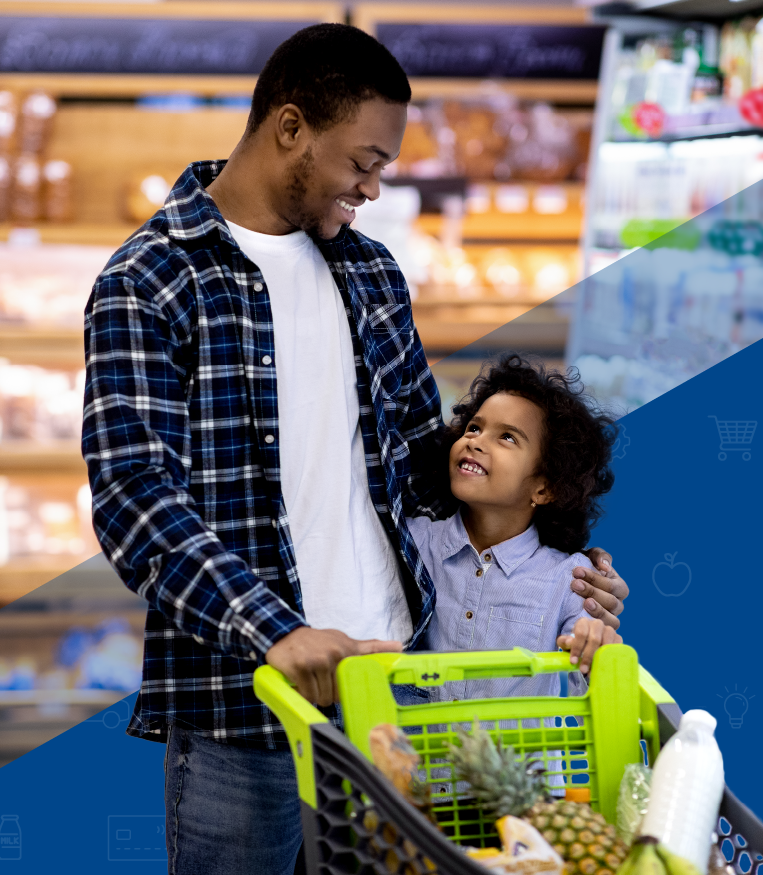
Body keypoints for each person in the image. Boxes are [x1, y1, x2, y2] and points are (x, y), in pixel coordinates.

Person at [82, 24, 629, 875]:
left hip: (402, 698)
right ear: (290, 128)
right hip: (246, 712)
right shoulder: (150, 280)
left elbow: (426, 463)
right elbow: (133, 496)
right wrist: (277, 633)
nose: (373, 189)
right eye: (364, 163)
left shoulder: (370, 272)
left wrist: (557, 569)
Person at [408, 353, 623, 705]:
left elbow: (592, 661)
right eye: (474, 427)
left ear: (544, 488)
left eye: (507, 437)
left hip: (523, 762)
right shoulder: (415, 543)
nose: (475, 441)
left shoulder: (567, 577)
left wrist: (595, 643)